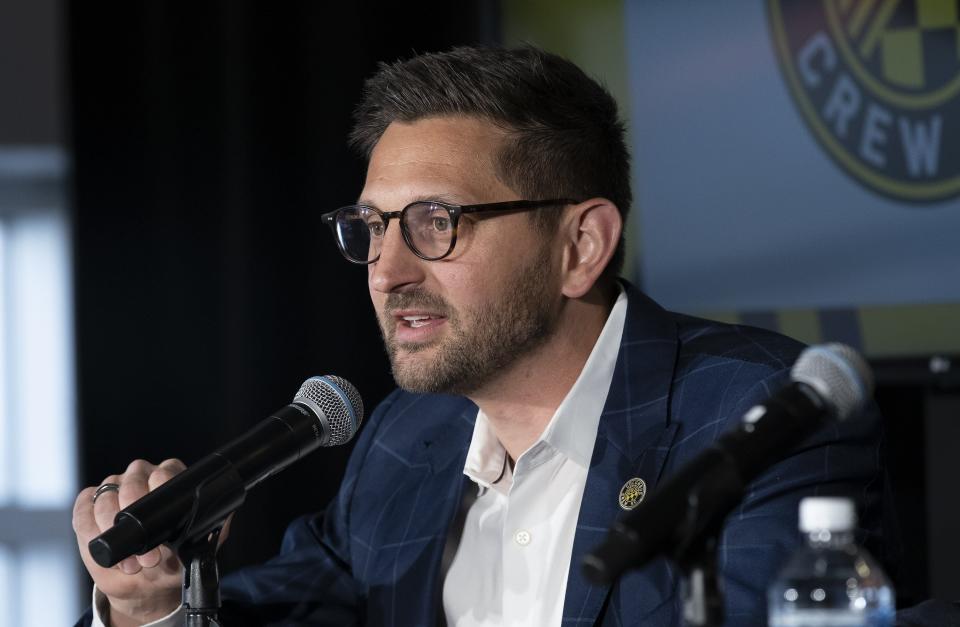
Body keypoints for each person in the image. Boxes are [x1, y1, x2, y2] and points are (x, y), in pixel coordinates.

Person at [73, 45, 886, 627]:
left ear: (580, 247)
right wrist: (150, 607)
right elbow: (283, 604)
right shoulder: (406, 438)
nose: (386, 270)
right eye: (371, 226)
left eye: (437, 222)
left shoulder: (759, 417)